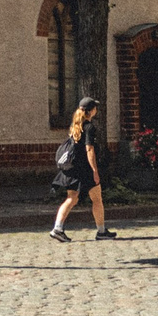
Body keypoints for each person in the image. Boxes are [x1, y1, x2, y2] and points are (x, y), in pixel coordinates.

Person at [49, 96, 116, 243]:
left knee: (71, 198)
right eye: (95, 107)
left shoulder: (76, 126)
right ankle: (101, 231)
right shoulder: (89, 127)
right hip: (84, 170)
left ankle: (58, 228)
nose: (96, 110)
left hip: (74, 169)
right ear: (91, 110)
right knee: (97, 199)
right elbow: (89, 150)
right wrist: (95, 171)